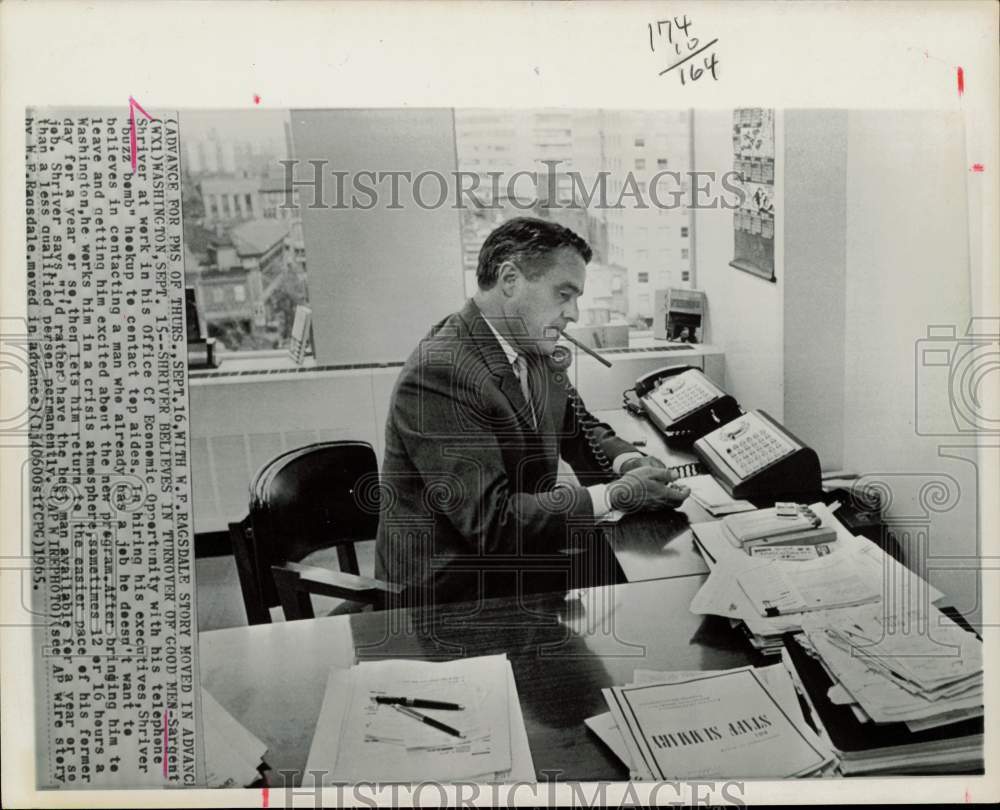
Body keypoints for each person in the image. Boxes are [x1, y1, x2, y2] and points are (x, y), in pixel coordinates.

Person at [374, 217, 689, 608]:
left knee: (644, 585)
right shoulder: (440, 372)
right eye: (563, 294)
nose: (573, 313)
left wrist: (628, 463)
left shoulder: (527, 342)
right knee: (649, 599)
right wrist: (617, 495)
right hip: (451, 594)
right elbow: (493, 525)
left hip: (513, 562)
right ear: (510, 279)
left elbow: (576, 427)